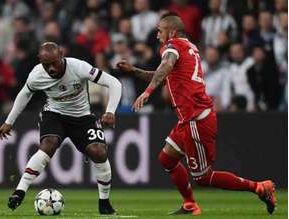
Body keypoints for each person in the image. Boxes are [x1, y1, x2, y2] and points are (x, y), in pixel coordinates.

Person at [116, 12, 276, 216]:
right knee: (166, 159)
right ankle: (190, 204)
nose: (157, 35)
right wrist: (134, 71)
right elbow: (163, 73)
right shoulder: (188, 47)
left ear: (171, 32)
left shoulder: (171, 46)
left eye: (160, 31)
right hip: (189, 118)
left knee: (203, 177)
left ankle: (260, 188)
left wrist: (147, 92)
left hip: (196, 118)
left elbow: (165, 67)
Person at [0, 42, 122, 215]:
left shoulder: (79, 67)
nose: (51, 69)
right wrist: (9, 121)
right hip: (54, 114)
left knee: (99, 152)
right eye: (46, 65)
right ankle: (19, 191)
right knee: (48, 145)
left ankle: (104, 202)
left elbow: (114, 83)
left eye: (54, 63)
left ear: (62, 55)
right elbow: (24, 95)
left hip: (83, 117)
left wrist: (110, 111)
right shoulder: (36, 75)